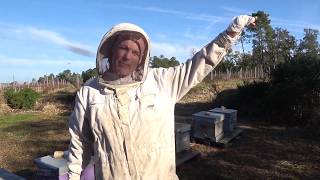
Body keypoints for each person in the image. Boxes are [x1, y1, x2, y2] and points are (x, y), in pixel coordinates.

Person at [67, 15, 256, 180]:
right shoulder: (89, 92)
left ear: (142, 59)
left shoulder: (162, 81)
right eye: (123, 48)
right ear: (110, 51)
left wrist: (230, 33)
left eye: (135, 52)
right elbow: (79, 145)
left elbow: (200, 63)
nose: (127, 56)